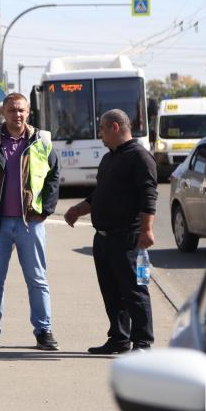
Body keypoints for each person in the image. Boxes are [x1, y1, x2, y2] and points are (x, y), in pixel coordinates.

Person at [0, 92, 61, 350]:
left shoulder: (41, 141)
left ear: (28, 112)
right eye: (11, 110)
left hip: (30, 224)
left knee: (37, 279)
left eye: (21, 110)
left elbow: (54, 176)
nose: (16, 114)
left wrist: (47, 209)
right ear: (3, 113)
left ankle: (43, 331)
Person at [64, 109, 157, 354]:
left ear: (115, 127)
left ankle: (143, 343)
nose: (100, 135)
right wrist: (77, 210)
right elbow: (100, 194)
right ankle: (119, 339)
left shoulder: (140, 157)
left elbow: (148, 196)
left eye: (102, 130)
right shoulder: (109, 158)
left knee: (135, 291)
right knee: (112, 292)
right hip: (104, 239)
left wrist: (147, 230)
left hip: (128, 238)